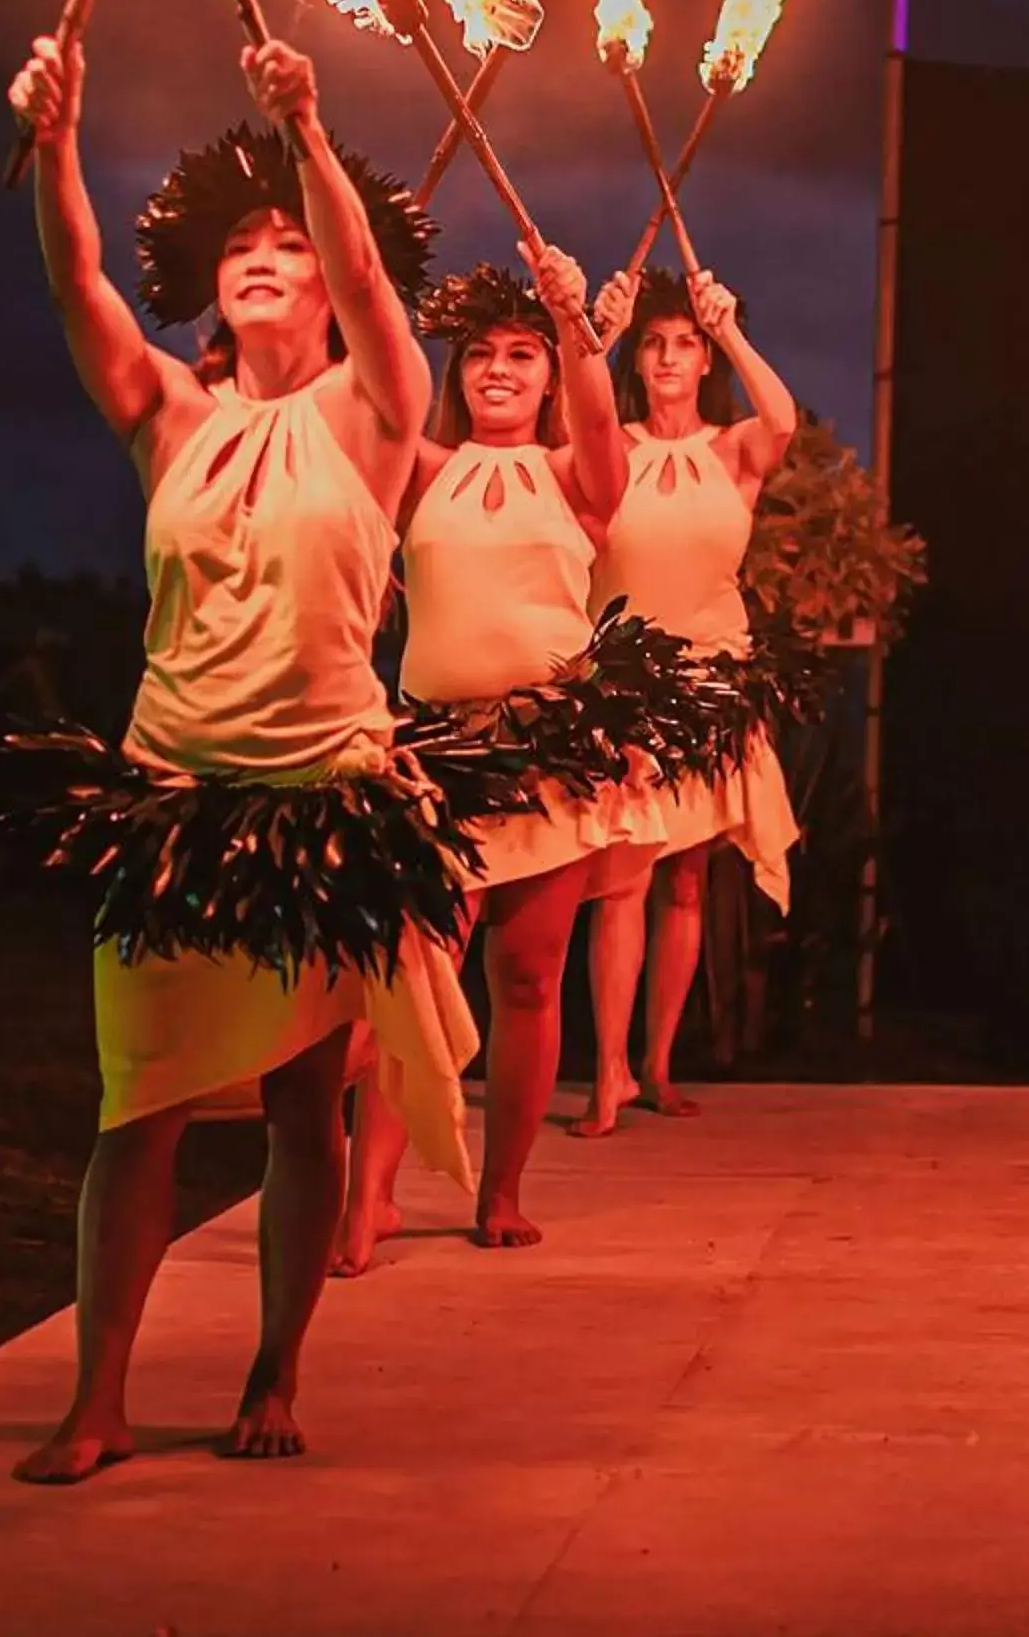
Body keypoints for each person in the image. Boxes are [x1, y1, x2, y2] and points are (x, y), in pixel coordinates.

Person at [0, 30, 476, 1483]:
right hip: (171, 798)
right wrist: (61, 140)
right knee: (132, 1107)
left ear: (327, 276)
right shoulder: (171, 413)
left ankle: (274, 1370)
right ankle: (100, 1395)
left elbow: (384, 288)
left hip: (320, 802)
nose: (263, 255)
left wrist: (308, 130)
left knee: (297, 1100)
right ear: (212, 285)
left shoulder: (378, 407)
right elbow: (77, 281)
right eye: (241, 244)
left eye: (289, 241)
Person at [329, 254, 660, 1270]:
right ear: (458, 371)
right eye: (481, 354)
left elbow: (603, 431)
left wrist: (575, 325)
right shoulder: (421, 468)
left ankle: (501, 1188)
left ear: (551, 376)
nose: (500, 370)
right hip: (435, 749)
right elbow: (368, 403)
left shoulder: (575, 476)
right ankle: (369, 1194)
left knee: (526, 972)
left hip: (546, 750)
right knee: (415, 974)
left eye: (522, 356)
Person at [574, 265, 800, 1133]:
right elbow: (573, 413)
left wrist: (730, 325)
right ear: (640, 357)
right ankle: (608, 1074)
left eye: (686, 346)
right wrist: (598, 334)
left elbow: (781, 418)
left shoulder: (734, 449)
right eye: (656, 345)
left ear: (704, 361)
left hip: (713, 682)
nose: (669, 359)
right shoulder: (605, 445)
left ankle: (661, 1066)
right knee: (622, 880)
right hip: (624, 688)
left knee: (689, 884)